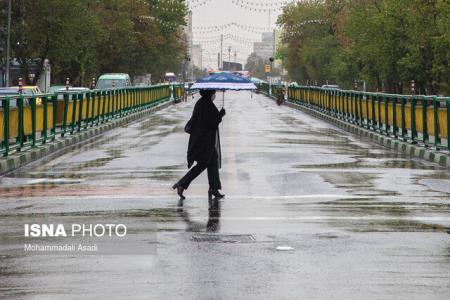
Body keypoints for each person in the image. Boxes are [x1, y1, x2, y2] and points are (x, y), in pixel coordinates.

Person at [172, 89, 226, 201]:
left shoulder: (204, 103)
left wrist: (218, 115)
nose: (214, 95)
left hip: (205, 141)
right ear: (209, 94)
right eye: (213, 93)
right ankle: (181, 184)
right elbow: (211, 123)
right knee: (203, 164)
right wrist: (220, 114)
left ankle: (214, 188)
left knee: (212, 162)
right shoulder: (205, 104)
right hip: (203, 142)